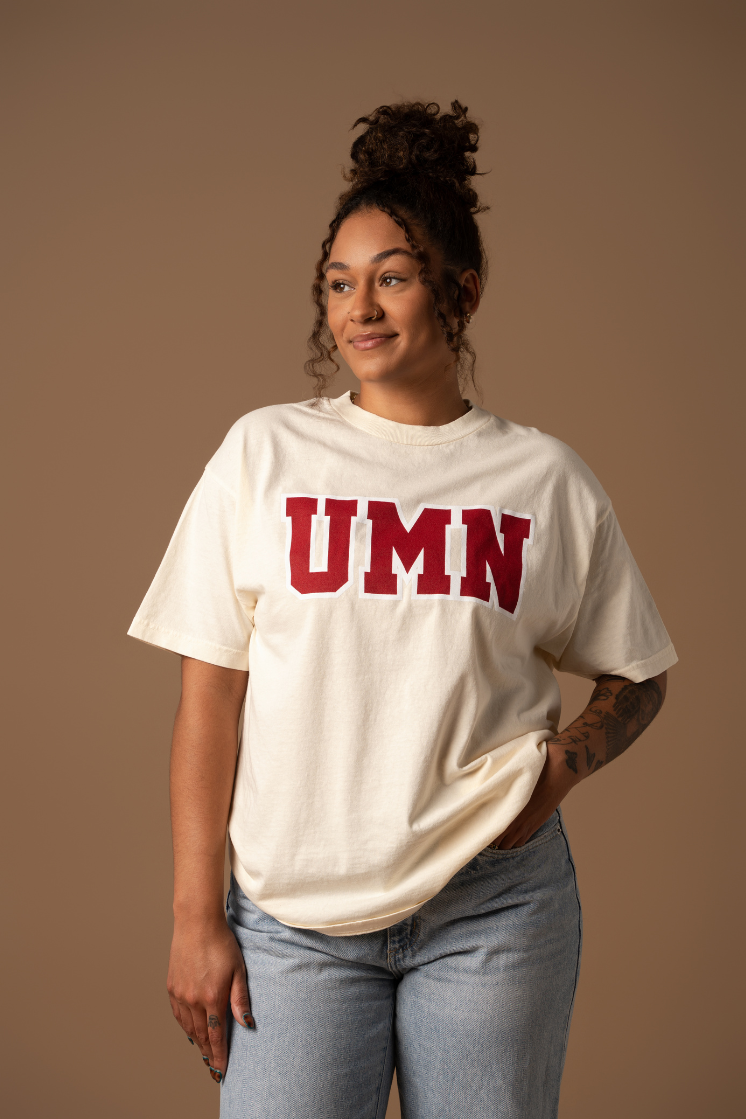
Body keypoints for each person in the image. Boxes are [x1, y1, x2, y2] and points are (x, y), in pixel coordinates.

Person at [128, 100, 676, 1119]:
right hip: (292, 919)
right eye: (340, 282)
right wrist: (194, 917)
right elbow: (210, 699)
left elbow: (638, 674)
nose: (360, 308)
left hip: (493, 909)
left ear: (460, 293)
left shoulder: (541, 479)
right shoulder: (264, 455)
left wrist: (557, 773)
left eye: (391, 277)